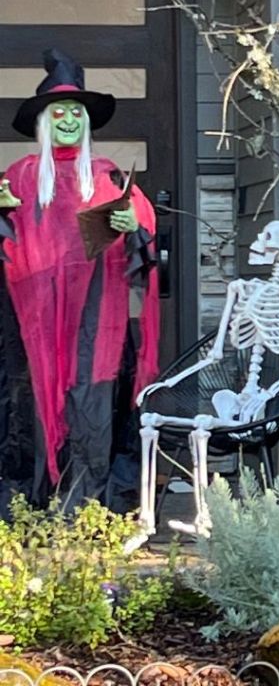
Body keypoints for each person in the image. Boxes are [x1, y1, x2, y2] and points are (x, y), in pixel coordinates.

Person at [0, 49, 160, 513]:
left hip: (95, 322)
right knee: (29, 408)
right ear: (43, 123)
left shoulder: (106, 175)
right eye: (59, 112)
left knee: (91, 409)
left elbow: (143, 233)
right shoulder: (20, 178)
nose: (68, 120)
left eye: (76, 112)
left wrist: (133, 226)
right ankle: (31, 508)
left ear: (86, 123)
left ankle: (87, 510)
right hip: (35, 325)